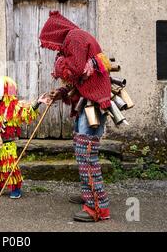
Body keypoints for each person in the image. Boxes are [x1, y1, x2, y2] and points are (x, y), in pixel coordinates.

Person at [39, 11, 112, 222]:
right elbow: (79, 81)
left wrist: (59, 63)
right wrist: (60, 93)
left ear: (55, 34)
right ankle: (89, 196)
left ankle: (98, 208)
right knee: (85, 153)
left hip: (94, 104)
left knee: (86, 154)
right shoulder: (76, 39)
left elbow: (74, 70)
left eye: (50, 43)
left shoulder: (74, 38)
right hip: (92, 102)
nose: (53, 48)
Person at [0, 76, 49, 199]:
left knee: (9, 166)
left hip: (7, 143)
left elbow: (26, 112)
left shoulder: (14, 107)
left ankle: (15, 188)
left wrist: (37, 103)